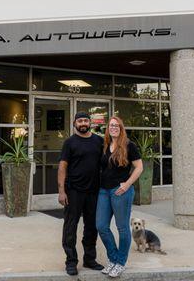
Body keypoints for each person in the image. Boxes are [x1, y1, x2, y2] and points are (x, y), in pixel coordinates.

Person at [58, 112, 105, 276]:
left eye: (85, 120)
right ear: (74, 123)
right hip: (73, 191)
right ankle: (71, 261)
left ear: (90, 123)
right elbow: (62, 167)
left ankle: (90, 259)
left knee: (92, 227)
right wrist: (61, 191)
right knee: (70, 226)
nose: (83, 123)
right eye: (80, 121)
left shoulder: (99, 141)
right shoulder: (69, 143)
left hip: (94, 191)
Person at [96, 116, 143, 278]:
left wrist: (127, 184)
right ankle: (113, 258)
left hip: (120, 191)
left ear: (121, 128)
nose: (113, 128)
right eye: (111, 125)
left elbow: (139, 167)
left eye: (116, 125)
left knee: (122, 228)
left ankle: (120, 263)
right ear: (108, 129)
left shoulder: (129, 146)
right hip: (103, 191)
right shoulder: (105, 145)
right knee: (101, 225)